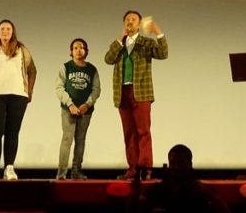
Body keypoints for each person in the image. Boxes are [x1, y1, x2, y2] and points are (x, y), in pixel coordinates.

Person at [105, 10, 168, 180]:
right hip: (122, 92)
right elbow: (108, 59)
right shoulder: (119, 43)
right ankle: (133, 169)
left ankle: (145, 169)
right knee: (129, 133)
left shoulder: (145, 43)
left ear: (139, 24)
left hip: (140, 92)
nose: (130, 22)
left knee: (143, 131)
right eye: (127, 19)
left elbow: (163, 53)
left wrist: (158, 32)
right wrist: (120, 39)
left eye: (133, 19)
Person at [0, 19, 36, 180]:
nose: (5, 32)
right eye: (2, 29)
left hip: (18, 96)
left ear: (13, 32)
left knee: (12, 132)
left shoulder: (22, 49)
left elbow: (32, 70)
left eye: (8, 29)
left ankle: (9, 168)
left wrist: (29, 91)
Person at [55, 38, 101, 180]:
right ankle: (61, 173)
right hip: (68, 109)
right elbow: (59, 88)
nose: (78, 50)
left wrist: (87, 104)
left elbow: (96, 89)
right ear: (71, 51)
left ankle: (76, 171)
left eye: (82, 47)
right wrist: (70, 104)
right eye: (75, 48)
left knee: (80, 140)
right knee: (67, 139)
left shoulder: (92, 69)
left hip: (85, 111)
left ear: (86, 51)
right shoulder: (66, 67)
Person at [146, 144, 231, 213]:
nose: (177, 167)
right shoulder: (158, 189)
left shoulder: (201, 190)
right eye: (173, 163)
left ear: (190, 164)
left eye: (181, 163)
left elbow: (224, 210)